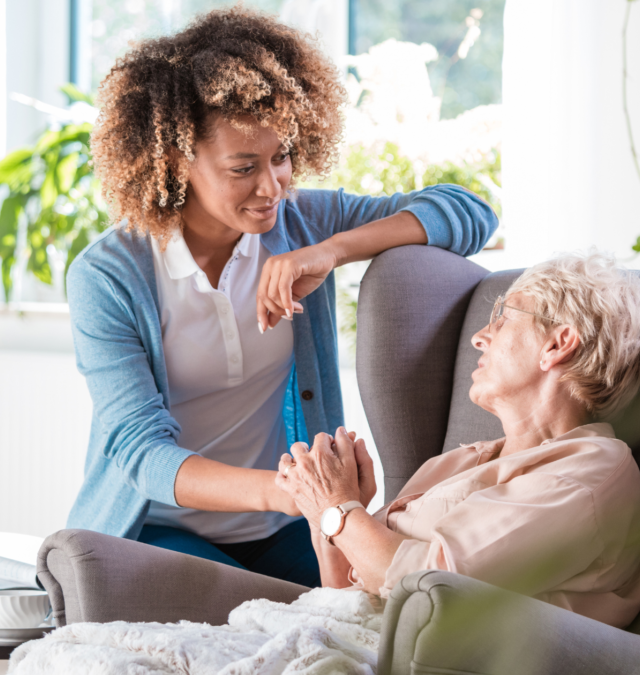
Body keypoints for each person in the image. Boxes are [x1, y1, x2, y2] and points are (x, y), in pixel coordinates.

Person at [64, 6, 499, 589]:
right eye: (243, 167)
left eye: (282, 156)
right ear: (176, 161)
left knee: (389, 602)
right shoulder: (110, 275)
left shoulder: (301, 225)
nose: (272, 187)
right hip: (157, 528)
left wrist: (332, 251)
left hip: (281, 525)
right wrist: (295, 491)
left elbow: (470, 213)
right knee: (254, 618)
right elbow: (141, 455)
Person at [276, 251, 640, 628]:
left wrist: (338, 509)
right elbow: (342, 600)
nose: (480, 337)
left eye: (504, 318)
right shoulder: (456, 462)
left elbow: (430, 592)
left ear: (557, 344)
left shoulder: (588, 473)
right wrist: (324, 514)